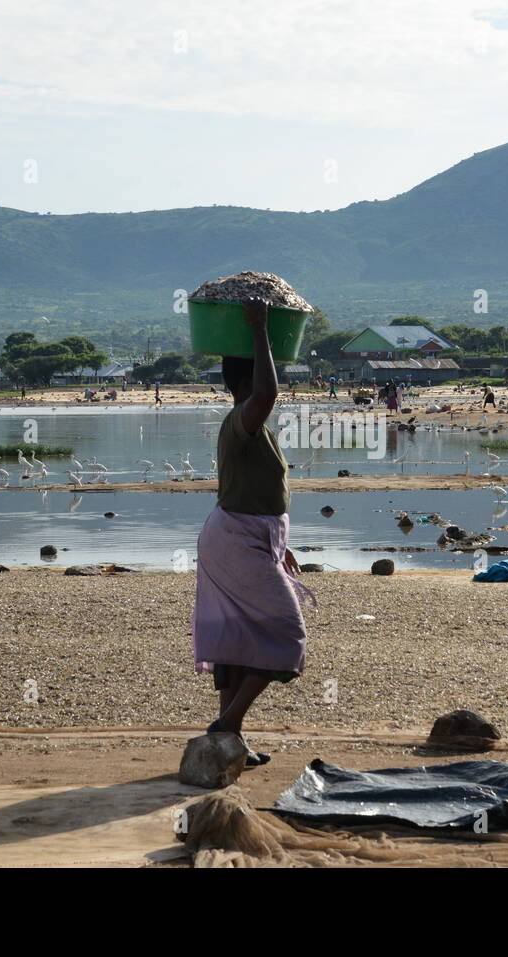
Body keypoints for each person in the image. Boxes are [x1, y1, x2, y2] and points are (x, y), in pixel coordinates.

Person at [193, 298, 312, 765]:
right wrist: (260, 329)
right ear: (245, 382)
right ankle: (227, 725)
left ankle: (228, 745)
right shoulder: (244, 417)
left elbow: (259, 489)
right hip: (236, 539)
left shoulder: (250, 427)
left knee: (238, 638)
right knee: (286, 635)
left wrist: (281, 547)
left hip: (244, 537)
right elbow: (267, 393)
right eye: (259, 374)